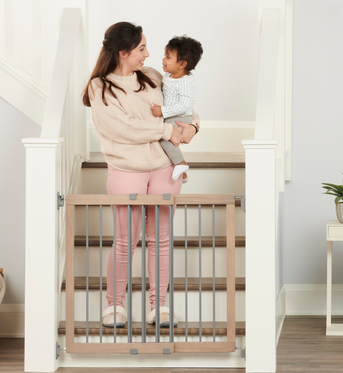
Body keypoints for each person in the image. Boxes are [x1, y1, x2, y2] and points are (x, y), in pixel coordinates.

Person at [82, 22, 199, 328]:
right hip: (126, 169)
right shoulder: (100, 87)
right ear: (123, 52)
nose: (148, 54)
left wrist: (192, 127)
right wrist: (165, 130)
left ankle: (157, 306)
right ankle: (114, 305)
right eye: (142, 48)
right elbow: (121, 129)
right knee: (124, 241)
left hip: (164, 167)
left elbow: (182, 106)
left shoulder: (152, 78)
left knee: (160, 241)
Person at [151, 36, 203, 183]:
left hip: (180, 117)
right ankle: (183, 174)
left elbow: (185, 105)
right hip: (172, 116)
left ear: (182, 64)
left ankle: (181, 164)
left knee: (165, 140)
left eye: (168, 57)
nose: (163, 60)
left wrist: (162, 111)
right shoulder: (168, 75)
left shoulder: (186, 82)